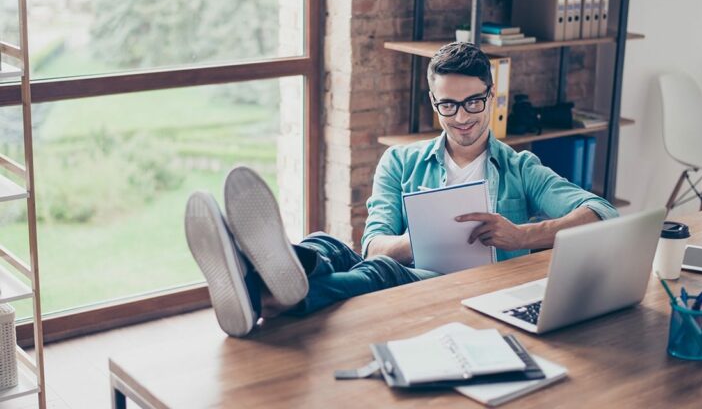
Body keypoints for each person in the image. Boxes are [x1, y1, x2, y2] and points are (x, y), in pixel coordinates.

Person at [184, 42, 618, 337]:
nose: (462, 116)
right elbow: (373, 244)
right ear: (434, 104)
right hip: (409, 268)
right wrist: (416, 242)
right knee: (329, 244)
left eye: (473, 102)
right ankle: (268, 277)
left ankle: (255, 289)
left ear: (491, 97)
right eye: (448, 105)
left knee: (382, 274)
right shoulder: (400, 162)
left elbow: (602, 213)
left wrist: (522, 235)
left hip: (460, 292)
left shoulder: (519, 168)